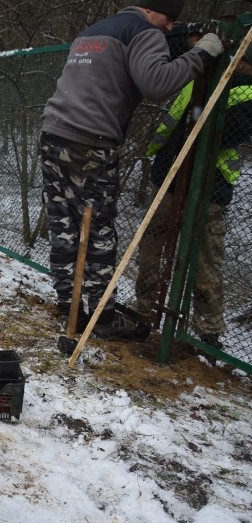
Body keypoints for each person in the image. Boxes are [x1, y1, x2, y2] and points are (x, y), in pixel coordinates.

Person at [38, 0, 223, 340]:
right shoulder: (144, 32)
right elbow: (157, 84)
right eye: (168, 20)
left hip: (53, 134)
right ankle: (102, 317)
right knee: (98, 229)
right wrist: (201, 54)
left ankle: (70, 307)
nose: (168, 28)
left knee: (63, 223)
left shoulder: (93, 31)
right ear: (152, 10)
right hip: (91, 141)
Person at [134, 52, 252, 350]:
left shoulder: (247, 93)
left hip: (211, 189)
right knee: (151, 244)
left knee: (205, 262)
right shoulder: (199, 77)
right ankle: (143, 310)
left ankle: (208, 332)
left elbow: (218, 134)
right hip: (169, 178)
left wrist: (203, 111)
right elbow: (173, 120)